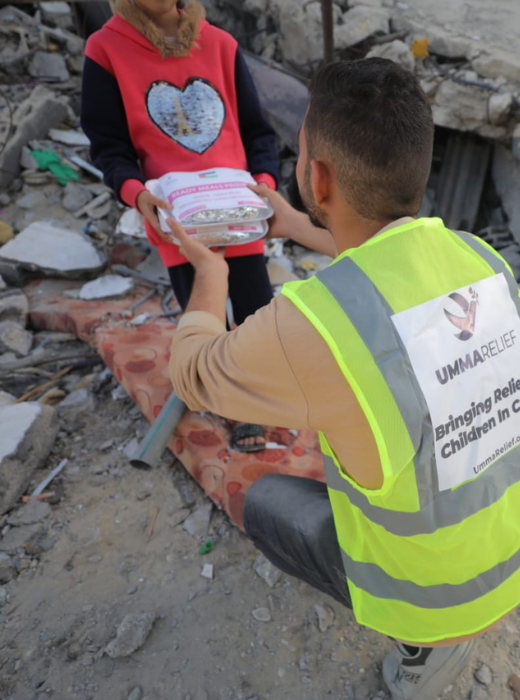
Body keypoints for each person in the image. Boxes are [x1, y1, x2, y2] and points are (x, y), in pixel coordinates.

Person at [168, 57, 520, 699]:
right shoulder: (481, 259)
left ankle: (422, 647)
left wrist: (210, 279)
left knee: (270, 503)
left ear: (317, 176)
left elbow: (192, 374)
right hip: (507, 551)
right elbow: (383, 262)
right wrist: (295, 222)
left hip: (433, 597)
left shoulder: (310, 326)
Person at [80, 0, 279, 450]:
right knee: (204, 315)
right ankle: (228, 402)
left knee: (256, 313)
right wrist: (137, 194)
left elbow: (257, 132)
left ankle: (258, 401)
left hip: (238, 212)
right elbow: (108, 145)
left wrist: (264, 184)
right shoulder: (106, 49)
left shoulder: (221, 44)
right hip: (177, 220)